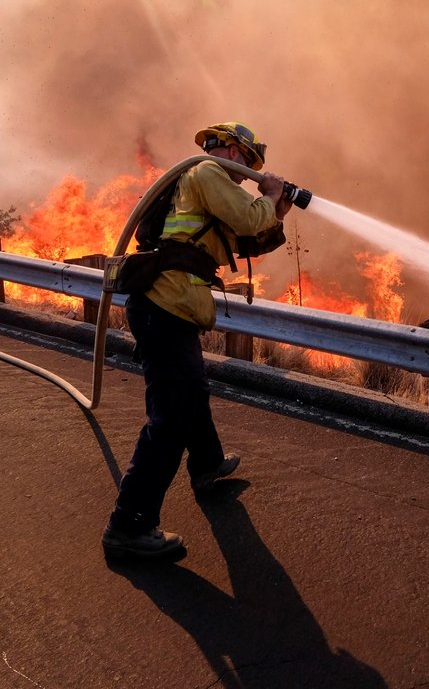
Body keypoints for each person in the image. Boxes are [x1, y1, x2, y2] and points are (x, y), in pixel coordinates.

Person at [103, 122, 292, 561]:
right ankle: (129, 525)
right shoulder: (206, 172)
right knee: (170, 417)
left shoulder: (205, 186)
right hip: (165, 307)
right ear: (228, 148)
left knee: (192, 391)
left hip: (171, 306)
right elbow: (248, 216)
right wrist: (267, 196)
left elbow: (247, 238)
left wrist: (276, 211)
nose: (246, 172)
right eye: (245, 162)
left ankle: (207, 465)